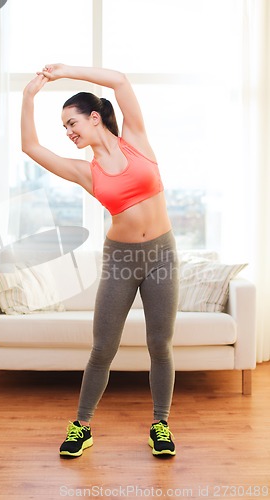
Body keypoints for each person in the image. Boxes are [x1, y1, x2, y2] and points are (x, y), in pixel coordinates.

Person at [21, 64, 179, 458]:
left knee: (160, 344)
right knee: (102, 348)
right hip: (121, 260)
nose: (68, 132)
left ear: (95, 118)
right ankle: (82, 426)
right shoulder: (84, 172)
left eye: (72, 122)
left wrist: (63, 72)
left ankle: (160, 424)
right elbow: (31, 148)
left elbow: (121, 80)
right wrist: (28, 97)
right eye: (64, 128)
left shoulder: (136, 140)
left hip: (162, 255)